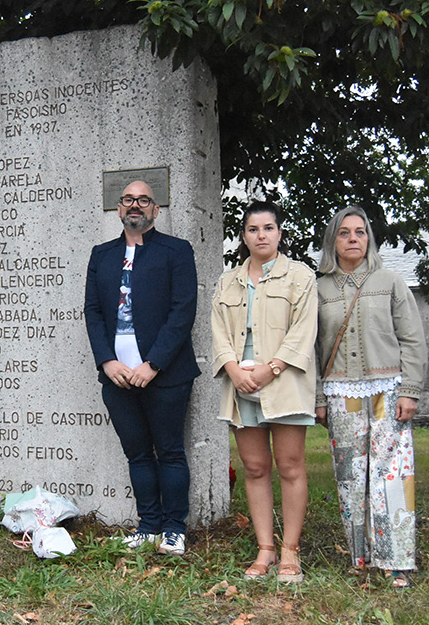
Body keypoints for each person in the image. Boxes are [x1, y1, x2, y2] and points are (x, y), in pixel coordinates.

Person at [83, 180, 200, 557]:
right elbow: (93, 312)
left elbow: (183, 311)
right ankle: (148, 525)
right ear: (119, 209)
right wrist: (107, 360)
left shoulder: (177, 252)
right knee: (136, 454)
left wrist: (153, 364)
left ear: (155, 210)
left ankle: (174, 529)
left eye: (144, 200)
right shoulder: (101, 255)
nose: (136, 205)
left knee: (169, 451)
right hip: (117, 376)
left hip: (166, 375)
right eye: (129, 199)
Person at [314, 206, 427, 588]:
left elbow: (412, 339)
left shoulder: (391, 281)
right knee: (350, 477)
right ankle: (360, 555)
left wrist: (410, 390)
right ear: (333, 240)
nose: (353, 240)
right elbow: (311, 347)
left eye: (360, 232)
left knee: (392, 473)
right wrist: (318, 397)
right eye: (344, 233)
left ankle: (397, 560)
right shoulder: (318, 289)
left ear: (369, 239)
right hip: (340, 392)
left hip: (388, 390)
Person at [210, 201, 316, 583]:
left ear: (280, 233)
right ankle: (265, 549)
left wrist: (271, 369)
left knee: (289, 466)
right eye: (253, 229)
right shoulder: (228, 281)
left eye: (268, 228)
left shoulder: (300, 277)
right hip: (241, 385)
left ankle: (290, 551)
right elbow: (219, 331)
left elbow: (304, 331)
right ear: (243, 236)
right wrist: (234, 370)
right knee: (255, 468)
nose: (261, 236)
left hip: (283, 382)